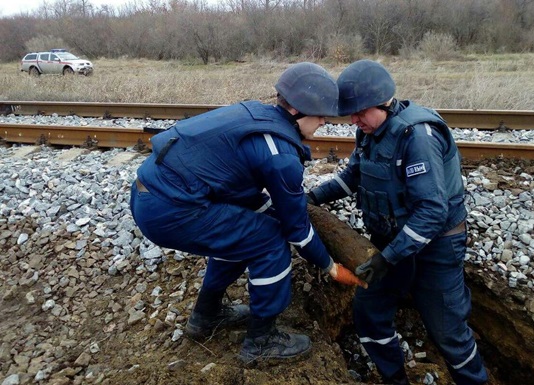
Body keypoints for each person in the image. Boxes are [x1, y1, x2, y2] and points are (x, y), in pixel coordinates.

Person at [130, 62, 366, 364]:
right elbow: (297, 230)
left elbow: (238, 189)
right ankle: (261, 341)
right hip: (172, 208)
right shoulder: (280, 156)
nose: (323, 121)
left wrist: (275, 212)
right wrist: (330, 266)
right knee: (269, 240)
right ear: (297, 111)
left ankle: (207, 315)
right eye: (320, 114)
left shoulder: (256, 115)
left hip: (150, 194)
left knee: (246, 231)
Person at [307, 60, 488, 385]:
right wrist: (313, 198)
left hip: (436, 246)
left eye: (360, 112)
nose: (354, 120)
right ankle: (395, 379)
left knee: (448, 332)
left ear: (384, 101)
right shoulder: (370, 133)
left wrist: (386, 259)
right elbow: (353, 177)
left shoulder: (417, 136)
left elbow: (433, 211)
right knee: (368, 312)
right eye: (351, 113)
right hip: (393, 242)